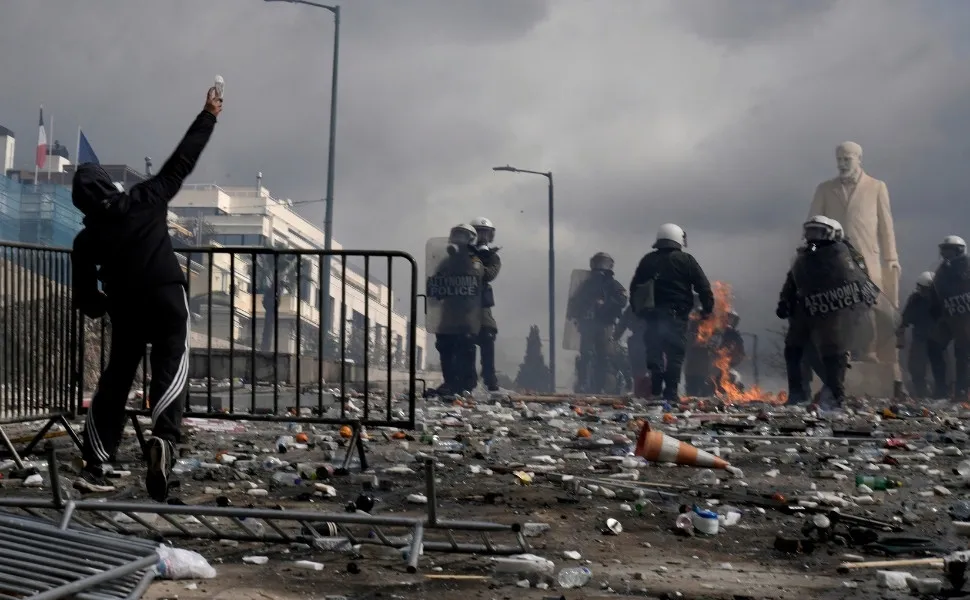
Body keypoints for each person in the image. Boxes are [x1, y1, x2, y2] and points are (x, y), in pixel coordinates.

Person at [70, 85, 223, 499]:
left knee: (116, 380)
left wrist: (104, 301)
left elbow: (86, 300)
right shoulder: (145, 199)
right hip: (168, 298)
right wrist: (208, 114)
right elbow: (181, 163)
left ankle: (97, 464)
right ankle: (163, 441)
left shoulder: (86, 241)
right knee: (171, 369)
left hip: (126, 307)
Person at [776, 216, 876, 409]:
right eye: (810, 231)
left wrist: (855, 306)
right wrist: (784, 300)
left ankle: (835, 393)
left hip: (834, 310)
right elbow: (792, 280)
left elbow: (861, 281)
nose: (812, 236)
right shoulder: (805, 256)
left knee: (833, 351)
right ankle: (797, 393)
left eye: (818, 232)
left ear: (833, 233)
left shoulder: (847, 255)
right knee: (794, 349)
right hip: (804, 309)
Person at [629, 223, 714, 402]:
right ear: (678, 239)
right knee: (675, 354)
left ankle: (656, 388)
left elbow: (635, 288)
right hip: (676, 316)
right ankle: (671, 393)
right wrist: (707, 309)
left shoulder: (648, 260)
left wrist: (638, 312)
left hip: (652, 316)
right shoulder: (686, 260)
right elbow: (703, 287)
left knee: (654, 351)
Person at [429, 224, 484, 397]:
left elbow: (479, 273)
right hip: (448, 318)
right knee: (445, 348)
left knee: (466, 350)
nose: (459, 238)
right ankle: (450, 383)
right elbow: (434, 284)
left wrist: (469, 258)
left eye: (463, 235)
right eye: (457, 234)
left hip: (466, 318)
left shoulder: (475, 260)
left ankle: (467, 386)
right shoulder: (446, 261)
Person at [565, 252, 627, 394]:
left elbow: (622, 300)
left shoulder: (611, 284)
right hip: (589, 324)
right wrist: (577, 313)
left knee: (603, 357)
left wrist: (605, 304)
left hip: (604, 324)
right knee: (586, 355)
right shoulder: (587, 283)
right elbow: (576, 302)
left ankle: (600, 386)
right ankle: (583, 384)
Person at [930, 235, 970, 401]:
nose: (946, 254)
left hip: (965, 317)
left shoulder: (967, 267)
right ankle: (942, 388)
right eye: (944, 250)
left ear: (959, 251)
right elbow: (936, 293)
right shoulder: (942, 270)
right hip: (948, 316)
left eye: (949, 250)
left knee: (962, 354)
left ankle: (961, 391)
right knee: (933, 346)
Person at [897, 271, 948, 398]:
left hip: (937, 339)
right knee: (916, 368)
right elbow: (905, 318)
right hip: (920, 338)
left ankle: (941, 393)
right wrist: (901, 332)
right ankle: (921, 394)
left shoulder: (941, 299)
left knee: (940, 368)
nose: (921, 291)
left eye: (924, 289)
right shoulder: (915, 299)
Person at [469, 217, 502, 392]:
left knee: (487, 336)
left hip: (481, 305)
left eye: (485, 233)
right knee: (464, 341)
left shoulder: (492, 257)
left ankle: (490, 378)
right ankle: (468, 380)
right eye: (478, 232)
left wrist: (478, 261)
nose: (482, 236)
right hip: (462, 304)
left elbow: (489, 275)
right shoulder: (461, 253)